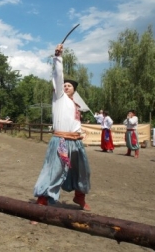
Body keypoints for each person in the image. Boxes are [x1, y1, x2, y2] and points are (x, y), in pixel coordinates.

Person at [32, 44, 91, 214]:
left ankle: (80, 196)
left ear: (74, 90)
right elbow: (58, 77)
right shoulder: (59, 97)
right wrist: (58, 58)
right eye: (64, 85)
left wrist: (80, 135)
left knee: (82, 171)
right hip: (61, 141)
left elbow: (76, 123)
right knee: (53, 171)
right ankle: (41, 203)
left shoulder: (76, 104)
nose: (65, 87)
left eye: (69, 86)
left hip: (76, 142)